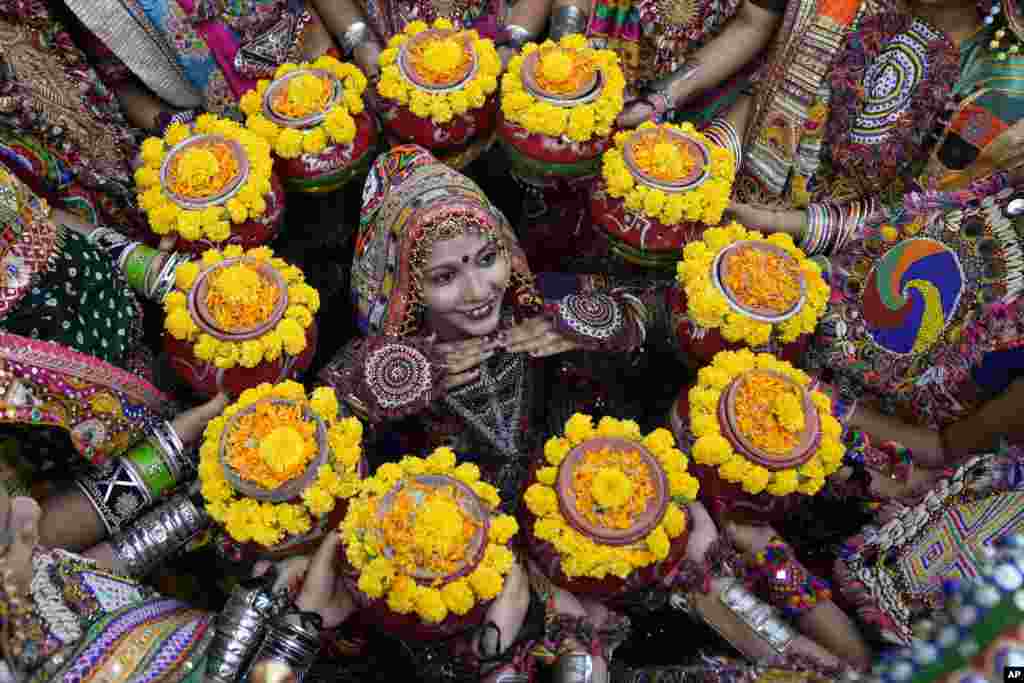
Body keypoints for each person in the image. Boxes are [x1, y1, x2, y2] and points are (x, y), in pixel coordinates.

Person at [317, 144, 866, 680]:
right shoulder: (388, 360)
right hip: (480, 555)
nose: (478, 289)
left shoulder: (540, 306)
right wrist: (404, 375)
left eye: (489, 259)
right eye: (444, 277)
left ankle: (800, 655)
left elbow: (655, 306)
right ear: (409, 287)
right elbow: (329, 406)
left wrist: (590, 321)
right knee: (557, 638)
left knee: (697, 546)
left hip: (599, 503)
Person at [721, 0, 1024, 246]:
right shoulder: (846, 5)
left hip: (837, 264)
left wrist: (784, 225)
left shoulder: (999, 87)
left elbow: (919, 212)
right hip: (730, 183)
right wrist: (710, 155)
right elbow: (766, 86)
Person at [63, 0, 340, 128]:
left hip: (317, 76)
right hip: (226, 141)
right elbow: (120, 81)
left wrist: (352, 42)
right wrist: (174, 126)